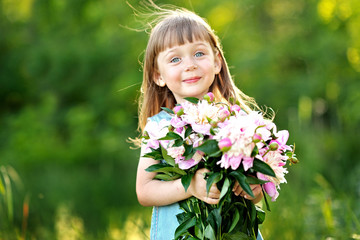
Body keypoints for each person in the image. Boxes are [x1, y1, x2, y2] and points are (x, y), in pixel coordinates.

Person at [134, 3, 264, 240]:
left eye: (199, 53)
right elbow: (144, 191)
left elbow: (254, 192)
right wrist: (190, 186)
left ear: (217, 62)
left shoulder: (237, 123)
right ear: (158, 76)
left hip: (234, 232)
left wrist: (254, 189)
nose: (190, 64)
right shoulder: (160, 127)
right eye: (175, 59)